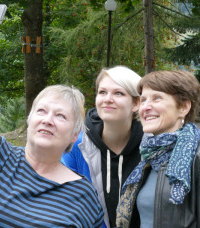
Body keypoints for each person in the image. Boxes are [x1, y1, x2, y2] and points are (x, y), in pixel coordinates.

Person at [0, 3, 104, 227]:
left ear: (75, 135)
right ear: (29, 119)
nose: (48, 119)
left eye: (61, 116)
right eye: (41, 110)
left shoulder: (84, 197)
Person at [116, 70, 200, 228]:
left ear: (183, 107)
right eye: (143, 100)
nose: (146, 107)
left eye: (157, 98)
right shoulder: (147, 159)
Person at [62, 65, 143, 228]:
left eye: (118, 93)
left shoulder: (150, 147)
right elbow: (62, 202)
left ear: (136, 103)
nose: (107, 99)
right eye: (102, 92)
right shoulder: (77, 146)